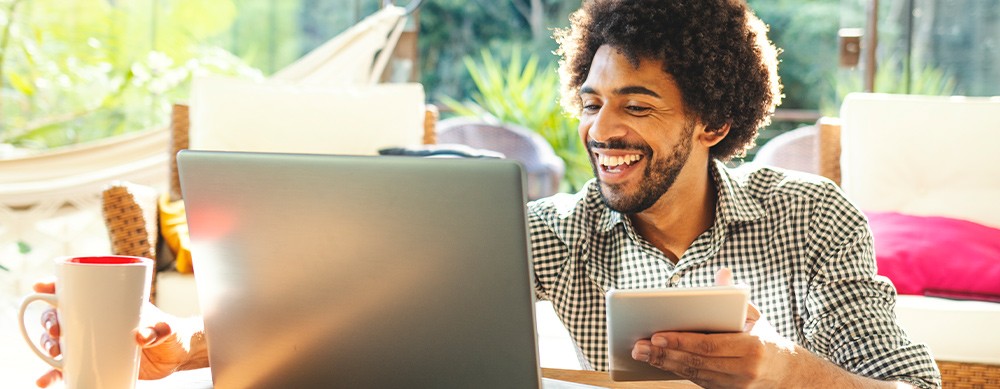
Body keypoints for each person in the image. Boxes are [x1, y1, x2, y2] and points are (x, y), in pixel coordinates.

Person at [36, 0, 941, 388]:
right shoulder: (556, 229)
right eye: (591, 101)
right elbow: (365, 304)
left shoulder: (812, 219)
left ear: (710, 122)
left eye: (636, 103)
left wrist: (781, 371)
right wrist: (185, 347)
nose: (602, 129)